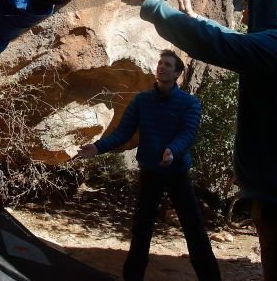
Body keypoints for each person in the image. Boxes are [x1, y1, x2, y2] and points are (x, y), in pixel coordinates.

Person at [127, 0, 277, 281]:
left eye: (252, 1)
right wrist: (194, 18)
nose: (245, 8)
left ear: (274, 4)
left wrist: (150, 3)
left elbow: (217, 43)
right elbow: (229, 39)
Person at [77, 51, 221, 281]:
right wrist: (98, 147)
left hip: (177, 174)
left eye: (168, 65)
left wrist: (172, 150)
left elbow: (188, 133)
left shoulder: (189, 103)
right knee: (141, 230)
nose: (162, 67)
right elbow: (123, 132)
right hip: (150, 173)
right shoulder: (141, 100)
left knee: (194, 231)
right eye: (160, 63)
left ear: (177, 74)